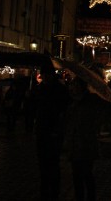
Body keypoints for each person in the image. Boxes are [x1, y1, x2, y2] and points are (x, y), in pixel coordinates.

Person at [34, 63, 70, 200]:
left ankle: (54, 190)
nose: (44, 77)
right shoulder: (41, 88)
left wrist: (57, 127)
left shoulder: (59, 89)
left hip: (53, 129)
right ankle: (45, 189)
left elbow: (63, 109)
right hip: (42, 128)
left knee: (53, 162)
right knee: (43, 162)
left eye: (46, 74)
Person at [64, 77, 103, 201]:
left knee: (87, 174)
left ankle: (90, 197)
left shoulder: (91, 102)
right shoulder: (72, 102)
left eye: (75, 85)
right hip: (75, 142)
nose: (72, 87)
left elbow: (93, 122)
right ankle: (79, 196)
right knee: (76, 175)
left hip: (86, 143)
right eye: (72, 85)